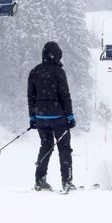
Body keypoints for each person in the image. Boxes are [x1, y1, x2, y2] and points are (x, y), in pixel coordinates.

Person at [28, 41, 76, 192]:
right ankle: (66, 181)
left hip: (41, 118)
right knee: (64, 149)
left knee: (46, 146)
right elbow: (65, 96)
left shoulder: (35, 71)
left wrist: (33, 117)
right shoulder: (59, 72)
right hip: (58, 118)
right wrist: (70, 116)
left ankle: (40, 179)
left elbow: (31, 97)